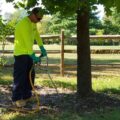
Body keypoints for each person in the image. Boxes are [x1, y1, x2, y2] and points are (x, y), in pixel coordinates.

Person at [12, 7, 47, 107]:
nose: (38, 21)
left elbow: (37, 36)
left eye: (40, 19)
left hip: (28, 53)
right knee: (20, 77)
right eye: (38, 18)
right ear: (32, 14)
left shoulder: (33, 23)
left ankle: (26, 95)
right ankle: (17, 98)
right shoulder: (24, 24)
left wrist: (42, 48)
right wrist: (33, 56)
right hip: (20, 54)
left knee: (30, 75)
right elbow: (28, 42)